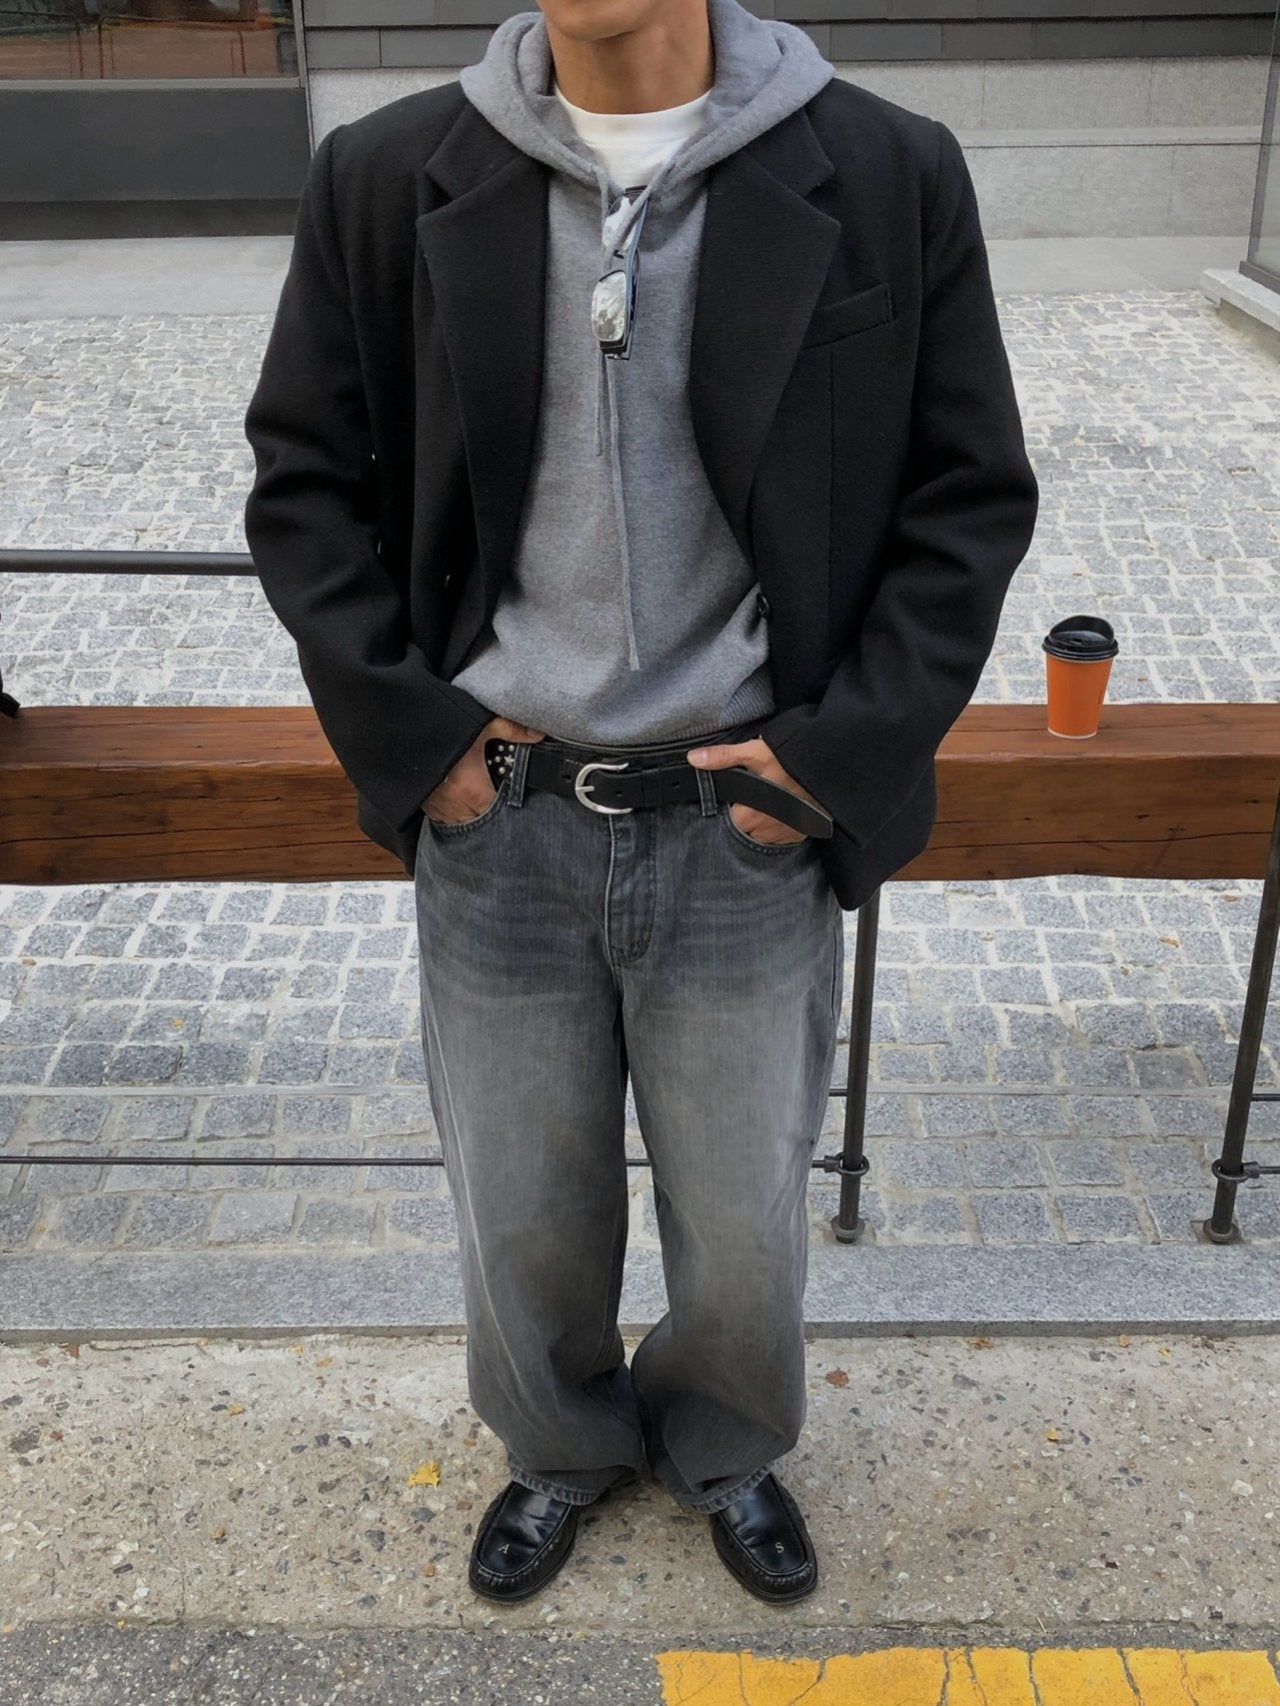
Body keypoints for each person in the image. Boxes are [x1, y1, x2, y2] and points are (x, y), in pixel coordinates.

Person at [243, 0, 1038, 1608]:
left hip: (743, 825)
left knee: (744, 1221)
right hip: (501, 817)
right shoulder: (388, 175)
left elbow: (968, 500)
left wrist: (831, 762)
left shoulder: (887, 169)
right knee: (521, 1211)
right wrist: (421, 743)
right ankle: (558, 1444)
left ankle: (727, 1443)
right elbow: (304, 482)